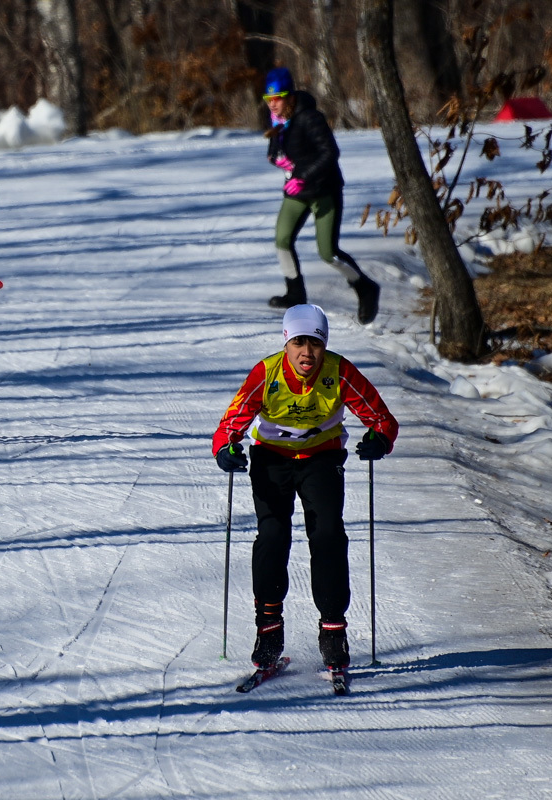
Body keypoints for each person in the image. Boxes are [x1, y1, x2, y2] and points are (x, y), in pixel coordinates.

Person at [211, 304, 398, 672]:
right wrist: (225, 449)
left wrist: (380, 440)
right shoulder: (266, 373)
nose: (306, 353)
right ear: (286, 342)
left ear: (324, 345)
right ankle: (268, 630)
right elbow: (230, 424)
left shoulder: (339, 372)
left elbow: (383, 420)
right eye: (298, 342)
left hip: (321, 459)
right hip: (272, 459)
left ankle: (333, 630)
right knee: (272, 535)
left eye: (314, 343)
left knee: (328, 534)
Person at [262, 66, 380, 324]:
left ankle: (365, 287)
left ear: (290, 96)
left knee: (328, 253)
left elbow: (329, 153)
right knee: (282, 240)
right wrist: (276, 156)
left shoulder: (310, 118)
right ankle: (295, 294)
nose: (272, 104)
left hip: (323, 191)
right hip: (296, 192)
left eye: (278, 97)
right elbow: (279, 153)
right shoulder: (280, 121)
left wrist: (302, 175)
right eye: (268, 99)